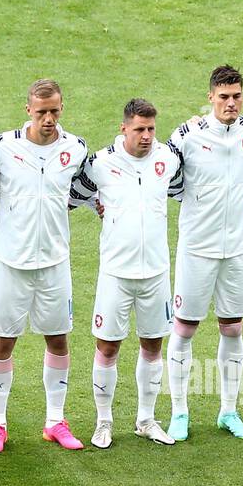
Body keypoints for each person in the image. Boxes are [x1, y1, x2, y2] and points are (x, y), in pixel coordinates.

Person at [0, 78, 91, 454]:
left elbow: (86, 187)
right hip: (11, 261)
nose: (48, 118)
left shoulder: (75, 148)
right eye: (42, 111)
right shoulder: (1, 146)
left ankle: (55, 421)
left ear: (62, 109)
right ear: (27, 109)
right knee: (4, 341)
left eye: (55, 111)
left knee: (58, 339)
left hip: (55, 262)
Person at [164, 65, 243, 441]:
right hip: (197, 247)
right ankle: (179, 412)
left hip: (238, 247)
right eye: (224, 96)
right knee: (185, 327)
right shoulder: (187, 135)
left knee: (233, 326)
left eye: (237, 96)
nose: (231, 103)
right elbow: (164, 176)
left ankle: (229, 410)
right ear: (210, 96)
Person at [70, 99, 181, 448]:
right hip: (116, 274)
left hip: (156, 273)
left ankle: (146, 419)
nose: (147, 136)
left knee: (152, 345)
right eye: (139, 129)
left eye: (151, 129)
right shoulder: (101, 163)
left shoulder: (168, 159)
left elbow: (187, 188)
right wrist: (95, 204)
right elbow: (71, 194)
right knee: (107, 347)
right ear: (124, 128)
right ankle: (104, 422)